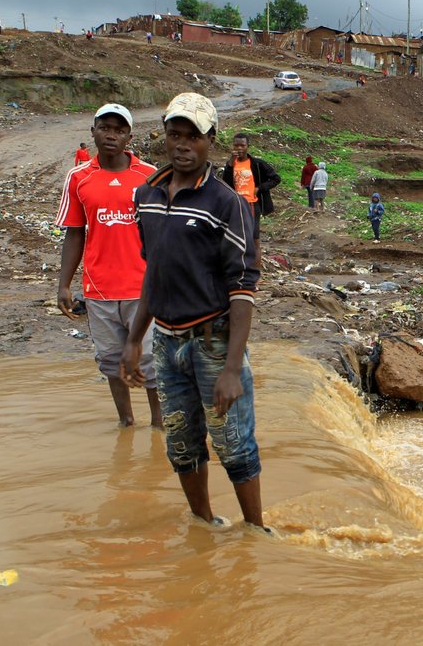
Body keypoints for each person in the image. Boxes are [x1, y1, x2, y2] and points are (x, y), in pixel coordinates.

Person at [121, 92, 266, 531]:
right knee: (181, 446)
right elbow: (154, 273)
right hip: (166, 343)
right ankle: (205, 526)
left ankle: (256, 532)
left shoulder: (228, 204)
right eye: (174, 135)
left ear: (211, 141)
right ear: (165, 137)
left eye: (193, 137)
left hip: (213, 341)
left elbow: (242, 288)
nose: (182, 145)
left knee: (234, 445)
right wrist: (133, 341)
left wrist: (230, 368)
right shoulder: (145, 196)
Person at [56, 103, 161, 428]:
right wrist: (64, 284)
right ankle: (126, 423)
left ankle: (159, 425)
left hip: (142, 289)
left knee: (151, 362)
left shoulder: (150, 176)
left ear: (129, 135)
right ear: (93, 132)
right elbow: (75, 233)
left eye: (119, 129)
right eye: (105, 128)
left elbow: (165, 232)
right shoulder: (79, 178)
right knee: (111, 361)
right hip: (98, 290)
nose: (111, 135)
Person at [221, 133, 281, 269]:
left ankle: (255, 276)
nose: (239, 148)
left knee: (254, 240)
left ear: (248, 147)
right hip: (236, 206)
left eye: (242, 145)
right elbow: (225, 184)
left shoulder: (257, 164)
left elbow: (276, 178)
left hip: (252, 205)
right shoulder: (231, 165)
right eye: (236, 145)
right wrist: (230, 163)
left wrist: (259, 188)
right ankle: (238, 270)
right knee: (235, 238)